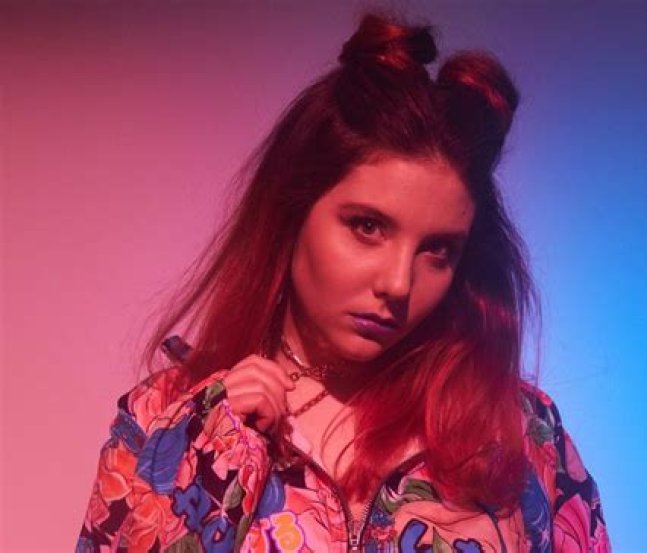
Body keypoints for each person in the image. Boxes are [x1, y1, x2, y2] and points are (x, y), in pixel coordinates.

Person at [77, 12, 610, 553]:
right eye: (368, 227)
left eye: (437, 250)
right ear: (292, 209)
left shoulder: (521, 431)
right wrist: (209, 456)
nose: (398, 284)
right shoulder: (161, 417)